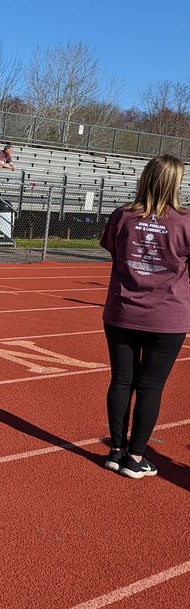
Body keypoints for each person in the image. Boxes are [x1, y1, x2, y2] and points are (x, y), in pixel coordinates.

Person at [99, 154, 190, 478]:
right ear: (175, 183)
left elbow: (111, 248)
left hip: (122, 311)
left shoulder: (122, 215)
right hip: (166, 318)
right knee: (151, 387)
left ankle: (116, 451)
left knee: (121, 381)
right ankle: (135, 457)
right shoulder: (185, 221)